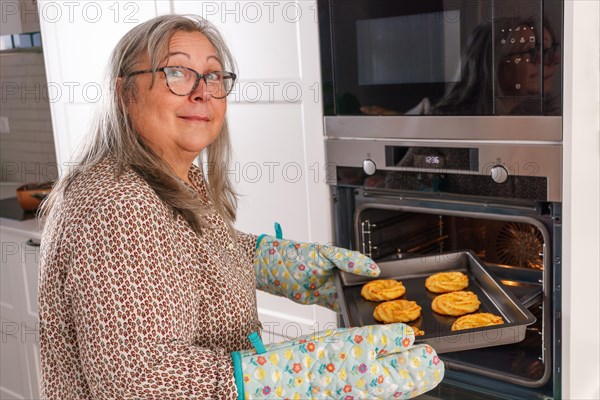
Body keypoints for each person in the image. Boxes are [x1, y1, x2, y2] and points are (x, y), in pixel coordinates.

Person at [38, 15, 444, 399]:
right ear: (124, 92)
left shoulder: (168, 176)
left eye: (213, 75)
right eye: (176, 72)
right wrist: (304, 371)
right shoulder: (116, 205)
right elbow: (139, 382)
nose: (201, 91)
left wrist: (288, 265)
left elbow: (190, 255)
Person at [432, 17, 561, 115]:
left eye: (547, 50)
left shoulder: (534, 120)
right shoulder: (441, 126)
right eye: (531, 51)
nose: (556, 59)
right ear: (493, 64)